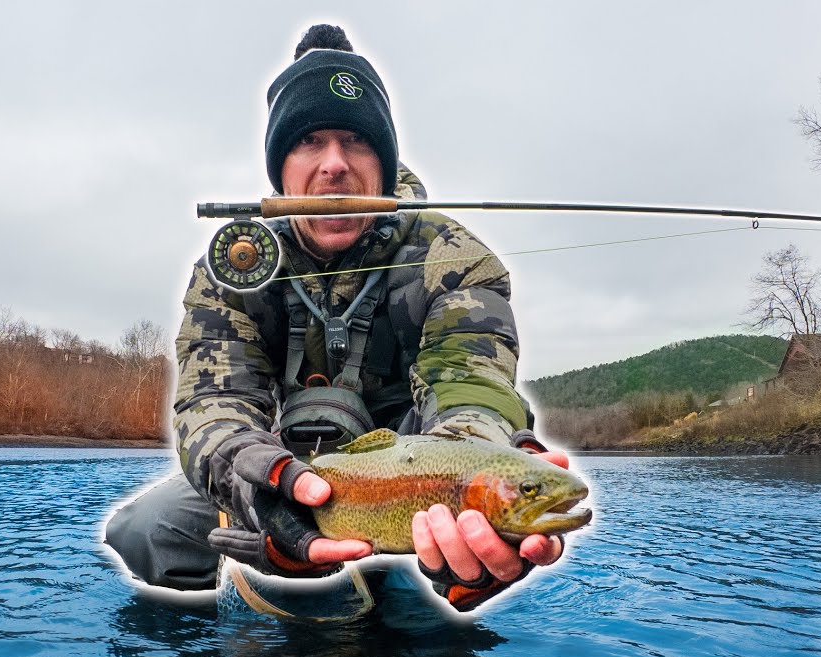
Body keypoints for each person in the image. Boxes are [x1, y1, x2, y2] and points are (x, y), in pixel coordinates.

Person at [105, 24, 567, 613]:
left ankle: (420, 584)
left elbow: (472, 389)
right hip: (280, 470)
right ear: (280, 167)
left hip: (415, 482)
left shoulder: (455, 259)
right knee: (145, 529)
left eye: (355, 140)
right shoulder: (235, 269)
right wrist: (258, 482)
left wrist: (486, 466)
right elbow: (214, 406)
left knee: (473, 548)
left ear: (384, 161)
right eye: (309, 141)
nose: (334, 165)